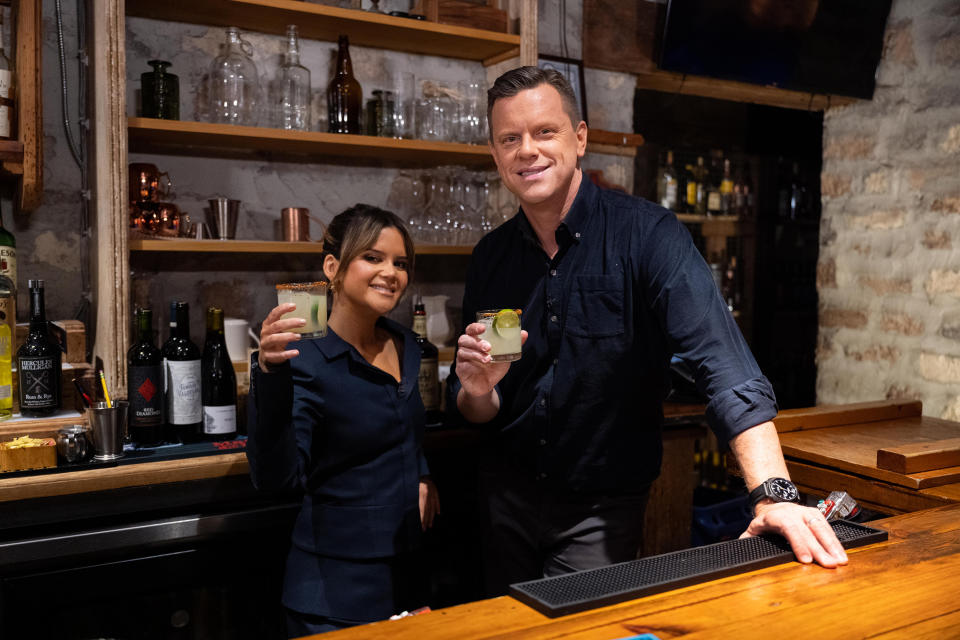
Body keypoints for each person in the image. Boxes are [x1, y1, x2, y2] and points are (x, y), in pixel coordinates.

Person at [447, 66, 847, 596]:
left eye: (545, 131)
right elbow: (480, 404)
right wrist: (475, 390)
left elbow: (722, 363)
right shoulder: (491, 259)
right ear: (495, 155)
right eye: (509, 139)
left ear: (580, 138)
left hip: (600, 511)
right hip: (503, 500)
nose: (527, 150)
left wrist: (773, 493)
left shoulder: (647, 236)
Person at [246, 204, 440, 636]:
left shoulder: (406, 344)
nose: (391, 272)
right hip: (335, 596)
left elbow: (399, 427)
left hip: (408, 580)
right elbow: (277, 477)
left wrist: (421, 475)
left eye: (401, 263)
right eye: (373, 257)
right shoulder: (305, 356)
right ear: (332, 267)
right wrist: (269, 374)